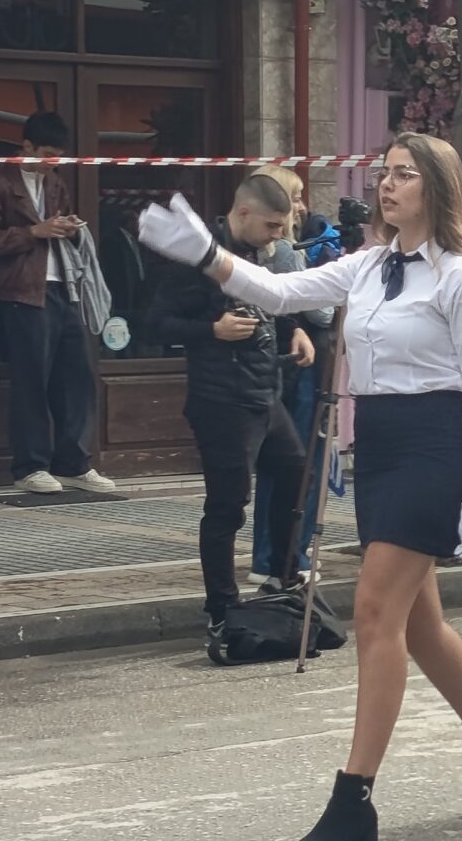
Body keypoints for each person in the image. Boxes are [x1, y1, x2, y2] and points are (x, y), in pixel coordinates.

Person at [136, 133, 462, 840]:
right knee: (420, 625)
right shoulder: (370, 263)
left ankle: (354, 799)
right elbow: (279, 291)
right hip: (379, 443)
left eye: (405, 174)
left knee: (376, 616)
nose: (387, 185)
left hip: (434, 447)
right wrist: (207, 255)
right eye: (385, 173)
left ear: (438, 187)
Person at [144, 175, 314, 635]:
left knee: (296, 475)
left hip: (265, 393)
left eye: (282, 227)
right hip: (220, 399)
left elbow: (272, 302)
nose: (278, 236)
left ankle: (282, 579)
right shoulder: (194, 259)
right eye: (272, 226)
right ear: (243, 214)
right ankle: (221, 606)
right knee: (228, 504)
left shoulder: (261, 255)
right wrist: (211, 331)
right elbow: (155, 323)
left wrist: (294, 328)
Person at [0, 111, 113, 494]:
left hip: (64, 287)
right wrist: (34, 231)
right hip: (22, 291)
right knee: (32, 380)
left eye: (58, 156)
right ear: (27, 146)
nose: (52, 162)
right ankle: (30, 466)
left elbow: (55, 226)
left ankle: (74, 464)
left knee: (77, 377)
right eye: (47, 154)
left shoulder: (55, 183)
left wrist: (68, 228)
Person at [247, 164, 335, 585]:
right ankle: (285, 556)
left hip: (285, 366)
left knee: (283, 466)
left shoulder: (280, 248)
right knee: (299, 464)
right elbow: (321, 311)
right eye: (295, 196)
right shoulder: (284, 251)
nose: (302, 206)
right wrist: (331, 270)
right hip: (299, 369)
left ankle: (274, 556)